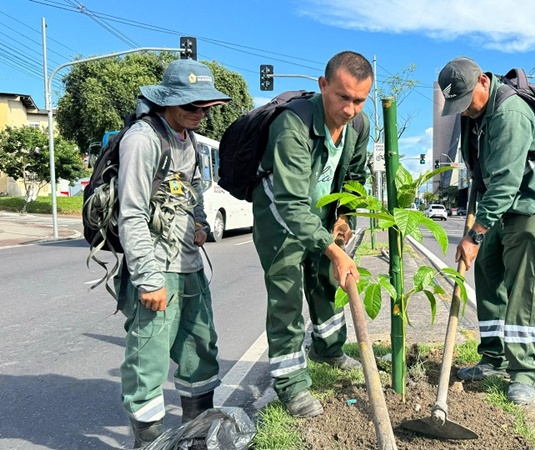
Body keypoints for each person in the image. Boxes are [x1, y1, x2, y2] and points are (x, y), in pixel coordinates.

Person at [116, 58, 230, 447]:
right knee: (147, 361)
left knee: (200, 350)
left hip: (189, 266)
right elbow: (130, 213)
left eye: (205, 107)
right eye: (191, 107)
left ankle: (194, 437)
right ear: (167, 102)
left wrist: (199, 222)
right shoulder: (142, 139)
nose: (200, 114)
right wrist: (147, 279)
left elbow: (194, 188)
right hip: (156, 270)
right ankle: (148, 443)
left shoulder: (190, 140)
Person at [252, 51, 372, 418]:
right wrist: (336, 252)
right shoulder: (292, 126)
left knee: (324, 283)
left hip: (321, 214)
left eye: (359, 100)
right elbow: (289, 204)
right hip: (280, 217)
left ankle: (328, 348)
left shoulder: (358, 125)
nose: (350, 108)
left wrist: (344, 216)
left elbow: (353, 175)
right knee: (287, 298)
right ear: (323, 86)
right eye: (343, 97)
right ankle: (290, 384)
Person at [438, 57, 535, 406]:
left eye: (466, 102)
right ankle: (492, 358)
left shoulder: (511, 113)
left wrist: (474, 234)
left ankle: (522, 372)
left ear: (482, 82)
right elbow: (480, 171)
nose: (463, 111)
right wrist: (474, 215)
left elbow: (506, 183)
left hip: (528, 206)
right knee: (489, 273)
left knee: (522, 286)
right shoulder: (473, 118)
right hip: (496, 203)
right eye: (457, 106)